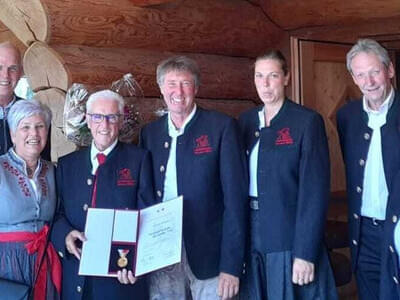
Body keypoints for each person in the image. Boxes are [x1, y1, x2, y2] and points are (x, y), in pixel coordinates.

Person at [139, 56, 248, 300]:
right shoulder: (150, 133)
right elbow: (143, 195)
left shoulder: (221, 128)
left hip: (210, 254)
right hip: (162, 250)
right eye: (171, 83)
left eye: (185, 83)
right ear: (161, 88)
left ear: (196, 89)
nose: (178, 91)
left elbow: (235, 200)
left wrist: (231, 266)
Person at [238, 50, 337, 300]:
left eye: (272, 75)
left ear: (286, 78)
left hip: (288, 233)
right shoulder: (245, 122)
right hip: (251, 230)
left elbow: (314, 192)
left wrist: (305, 252)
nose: (265, 83)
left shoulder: (305, 121)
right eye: (259, 76)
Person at [51, 90, 155, 300]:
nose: (104, 125)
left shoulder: (139, 160)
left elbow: (148, 217)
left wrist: (137, 264)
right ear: (88, 120)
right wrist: (65, 235)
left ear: (121, 120)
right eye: (98, 117)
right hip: (77, 278)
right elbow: (56, 214)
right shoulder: (67, 164)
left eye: (112, 117)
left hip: (120, 281)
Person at [336, 38, 400, 300]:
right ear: (353, 77)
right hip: (364, 233)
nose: (369, 81)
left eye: (374, 71)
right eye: (361, 74)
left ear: (390, 70)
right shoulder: (346, 116)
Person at [0, 99, 61, 299]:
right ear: (12, 134)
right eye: (25, 127)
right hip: (6, 263)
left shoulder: (53, 170)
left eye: (40, 126)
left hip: (43, 259)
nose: (34, 134)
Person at [0, 41, 50, 159]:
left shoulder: (35, 114)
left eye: (12, 68)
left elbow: (43, 161)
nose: (5, 75)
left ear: (21, 72)